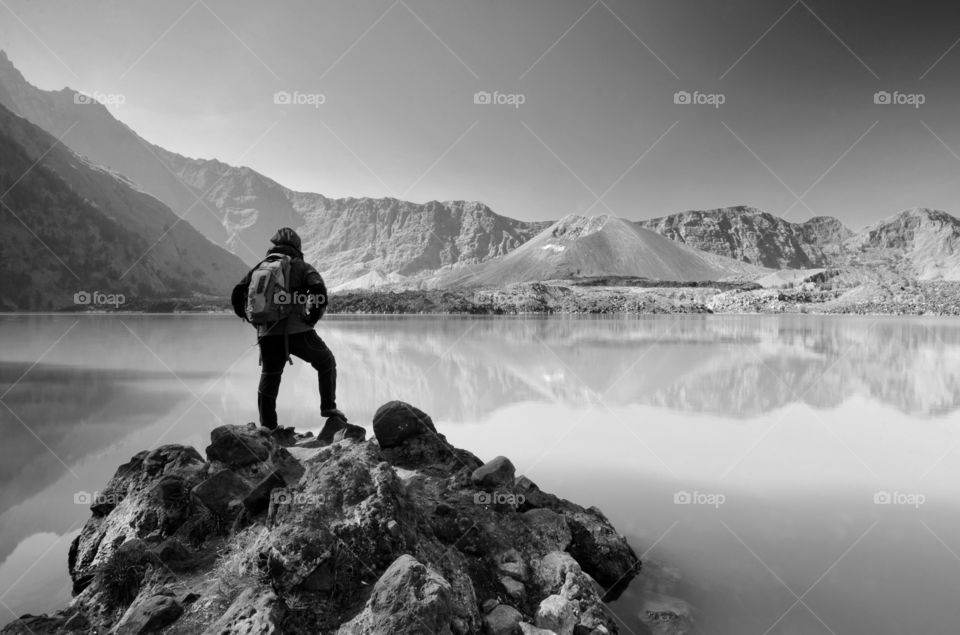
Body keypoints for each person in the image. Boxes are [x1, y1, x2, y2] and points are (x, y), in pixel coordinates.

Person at [232, 227, 347, 430]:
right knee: (326, 362)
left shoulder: (260, 267)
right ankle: (328, 408)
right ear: (297, 247)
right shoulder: (302, 266)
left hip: (267, 333)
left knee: (269, 376)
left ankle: (268, 428)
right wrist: (311, 320)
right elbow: (320, 292)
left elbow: (237, 293)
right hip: (298, 332)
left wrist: (253, 320)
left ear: (274, 246)